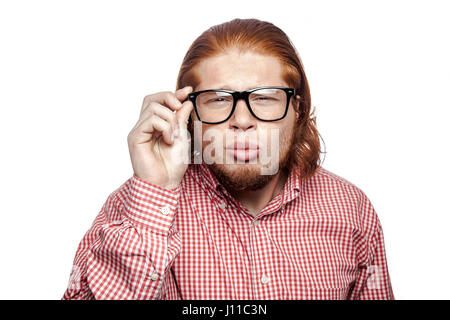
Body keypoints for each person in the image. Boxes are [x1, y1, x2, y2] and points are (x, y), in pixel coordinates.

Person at [62, 18, 394, 300]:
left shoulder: (352, 209)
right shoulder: (133, 207)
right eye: (219, 99)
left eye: (264, 98)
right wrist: (154, 189)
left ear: (298, 110)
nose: (242, 120)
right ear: (189, 115)